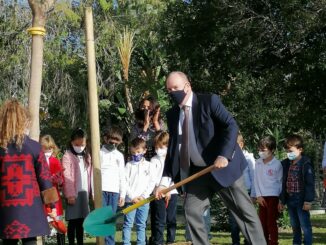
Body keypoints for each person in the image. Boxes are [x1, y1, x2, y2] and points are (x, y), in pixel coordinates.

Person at [155, 71, 266, 245]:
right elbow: (172, 152)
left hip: (222, 168)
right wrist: (163, 183)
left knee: (244, 213)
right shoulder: (173, 115)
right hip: (199, 172)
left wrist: (224, 155)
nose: (172, 93)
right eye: (169, 90)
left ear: (187, 86)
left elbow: (231, 125)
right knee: (191, 210)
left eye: (175, 88)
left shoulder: (209, 101)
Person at [0, 99, 58, 245]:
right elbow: (45, 179)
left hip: (5, 209)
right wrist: (52, 207)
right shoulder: (34, 147)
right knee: (30, 240)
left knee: (8, 242)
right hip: (30, 207)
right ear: (23, 121)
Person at [279, 134, 315, 245]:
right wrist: (282, 200)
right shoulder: (285, 164)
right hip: (290, 199)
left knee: (305, 225)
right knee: (294, 225)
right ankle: (296, 243)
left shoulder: (305, 164)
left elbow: (310, 184)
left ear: (300, 150)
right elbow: (282, 183)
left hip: (301, 199)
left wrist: (308, 200)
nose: (288, 153)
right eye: (287, 151)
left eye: (291, 151)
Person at [62, 128, 93, 245]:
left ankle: (80, 242)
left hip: (84, 192)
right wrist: (70, 195)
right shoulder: (67, 156)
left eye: (82, 144)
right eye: (77, 144)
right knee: (73, 222)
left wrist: (92, 193)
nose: (80, 147)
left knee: (81, 222)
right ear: (71, 143)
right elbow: (67, 176)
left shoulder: (87, 156)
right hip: (73, 194)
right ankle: (71, 242)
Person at [122, 138, 156, 245]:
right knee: (128, 224)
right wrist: (132, 197)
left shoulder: (149, 166)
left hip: (144, 201)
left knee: (141, 225)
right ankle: (126, 243)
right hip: (130, 201)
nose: (135, 154)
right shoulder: (128, 165)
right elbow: (125, 182)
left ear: (144, 150)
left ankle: (141, 243)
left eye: (138, 152)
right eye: (133, 152)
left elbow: (152, 182)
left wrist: (144, 196)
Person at [149, 132, 178, 245]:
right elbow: (154, 177)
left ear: (168, 146)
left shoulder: (174, 159)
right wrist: (160, 189)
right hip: (158, 193)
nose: (158, 150)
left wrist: (169, 190)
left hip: (172, 192)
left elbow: (174, 176)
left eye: (161, 147)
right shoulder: (154, 160)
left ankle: (171, 241)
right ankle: (158, 241)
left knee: (171, 219)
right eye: (156, 147)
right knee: (159, 219)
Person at [253, 136, 282, 245]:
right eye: (259, 149)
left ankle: (274, 242)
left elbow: (280, 182)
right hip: (262, 197)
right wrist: (258, 196)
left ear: (272, 150)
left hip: (273, 196)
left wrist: (279, 199)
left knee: (271, 221)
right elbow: (256, 180)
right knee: (262, 222)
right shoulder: (258, 162)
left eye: (263, 150)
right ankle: (264, 242)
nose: (261, 152)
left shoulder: (277, 164)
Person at [100, 126, 126, 245]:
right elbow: (94, 174)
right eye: (111, 142)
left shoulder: (119, 156)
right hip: (101, 190)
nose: (113, 145)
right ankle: (101, 242)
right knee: (103, 219)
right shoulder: (99, 153)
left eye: (116, 143)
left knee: (111, 219)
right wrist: (94, 192)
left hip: (114, 191)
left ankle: (110, 243)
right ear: (106, 139)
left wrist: (123, 194)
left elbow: (122, 176)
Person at [229, 133, 256, 245]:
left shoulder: (249, 158)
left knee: (247, 218)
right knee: (233, 220)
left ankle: (248, 241)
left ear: (241, 144)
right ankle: (235, 242)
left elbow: (254, 176)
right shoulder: (229, 158)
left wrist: (253, 194)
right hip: (233, 192)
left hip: (247, 192)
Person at [40, 135, 66, 245]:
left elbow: (62, 181)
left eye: (50, 148)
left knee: (57, 223)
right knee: (44, 224)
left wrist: (59, 179)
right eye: (45, 148)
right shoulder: (39, 161)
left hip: (54, 196)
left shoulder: (55, 161)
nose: (48, 151)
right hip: (43, 196)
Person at [131, 96, 165, 160]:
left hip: (157, 156)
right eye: (143, 107)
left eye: (149, 107)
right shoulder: (136, 124)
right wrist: (146, 126)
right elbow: (135, 144)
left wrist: (155, 122)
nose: (146, 109)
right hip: (140, 155)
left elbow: (164, 141)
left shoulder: (160, 123)